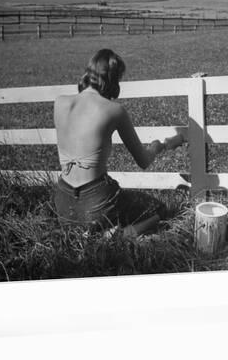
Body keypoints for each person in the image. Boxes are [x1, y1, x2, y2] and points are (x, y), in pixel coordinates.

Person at [53, 48, 184, 237]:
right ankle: (121, 235)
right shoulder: (115, 110)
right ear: (112, 78)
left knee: (82, 218)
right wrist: (157, 147)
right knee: (159, 210)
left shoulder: (60, 102)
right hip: (97, 201)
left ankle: (90, 232)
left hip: (63, 202)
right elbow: (144, 161)